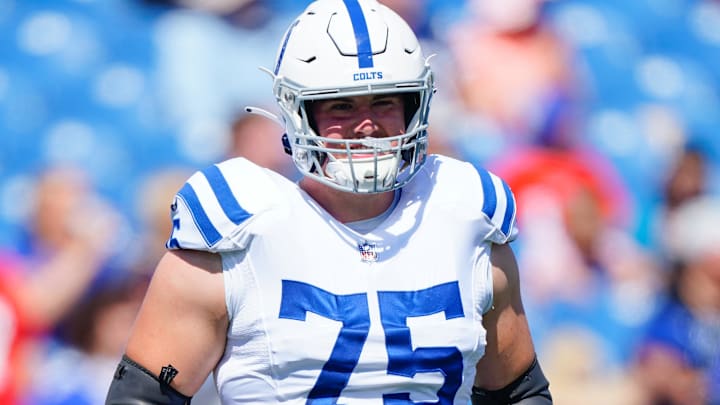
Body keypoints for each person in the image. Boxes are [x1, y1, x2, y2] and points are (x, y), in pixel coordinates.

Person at [105, 0, 552, 403]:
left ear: (416, 106)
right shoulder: (238, 228)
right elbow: (144, 396)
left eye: (384, 102)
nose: (367, 125)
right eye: (341, 107)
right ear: (299, 113)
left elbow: (518, 393)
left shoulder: (464, 216)